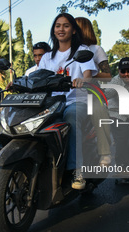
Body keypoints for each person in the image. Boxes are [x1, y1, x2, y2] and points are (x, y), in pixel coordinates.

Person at [38, 13, 98, 190]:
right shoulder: (47, 57)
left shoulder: (81, 51)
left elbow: (88, 75)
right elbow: (38, 77)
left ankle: (76, 169)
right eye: (57, 25)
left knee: (70, 119)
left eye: (65, 26)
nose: (61, 29)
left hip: (75, 100)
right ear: (53, 29)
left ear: (73, 30)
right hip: (51, 103)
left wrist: (82, 81)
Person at [75, 17, 112, 167]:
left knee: (98, 110)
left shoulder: (96, 49)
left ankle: (105, 152)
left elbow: (108, 75)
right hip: (69, 89)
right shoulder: (66, 49)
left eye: (74, 27)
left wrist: (88, 75)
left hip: (91, 89)